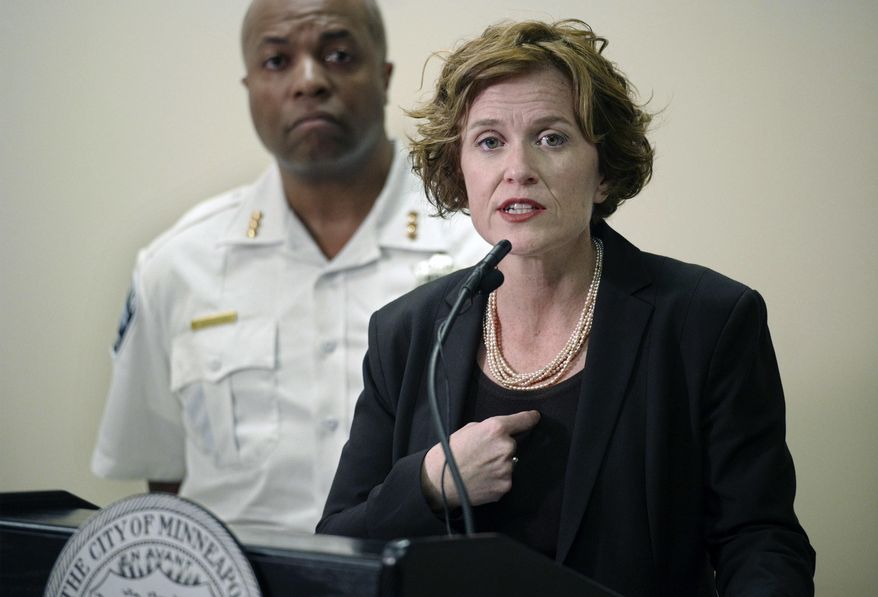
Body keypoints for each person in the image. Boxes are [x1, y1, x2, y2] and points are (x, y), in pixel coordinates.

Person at [317, 19, 816, 596]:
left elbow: (760, 540)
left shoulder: (709, 320)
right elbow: (336, 549)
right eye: (488, 141)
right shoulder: (405, 332)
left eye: (551, 137)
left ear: (603, 171)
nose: (517, 168)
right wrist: (431, 483)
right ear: (461, 171)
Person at [90, 0, 487, 534]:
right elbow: (166, 481)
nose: (309, 81)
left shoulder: (481, 253)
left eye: (340, 55)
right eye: (277, 62)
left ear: (385, 75)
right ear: (250, 86)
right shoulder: (178, 264)